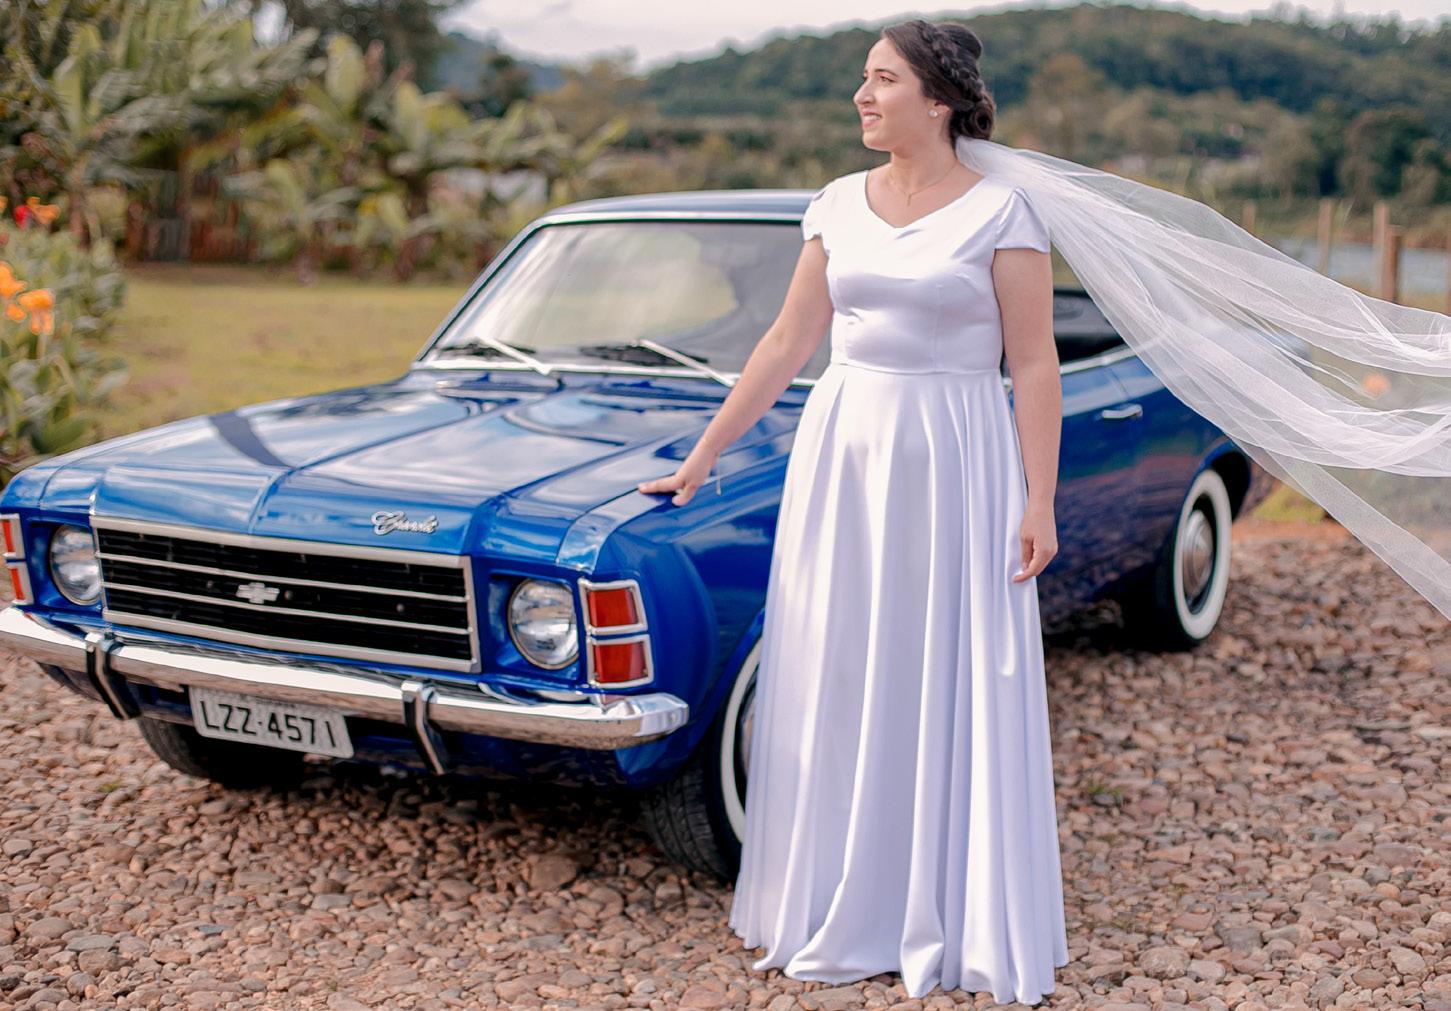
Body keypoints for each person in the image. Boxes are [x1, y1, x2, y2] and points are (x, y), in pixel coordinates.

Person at [636, 18, 1069, 1005]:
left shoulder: (1003, 212)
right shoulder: (835, 203)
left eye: (882, 79)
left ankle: (943, 905)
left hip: (954, 458)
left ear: (939, 99)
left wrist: (1037, 497)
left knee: (938, 665)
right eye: (863, 79)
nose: (862, 96)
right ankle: (838, 894)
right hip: (844, 455)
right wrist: (703, 456)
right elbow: (787, 341)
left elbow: (1033, 361)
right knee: (841, 661)